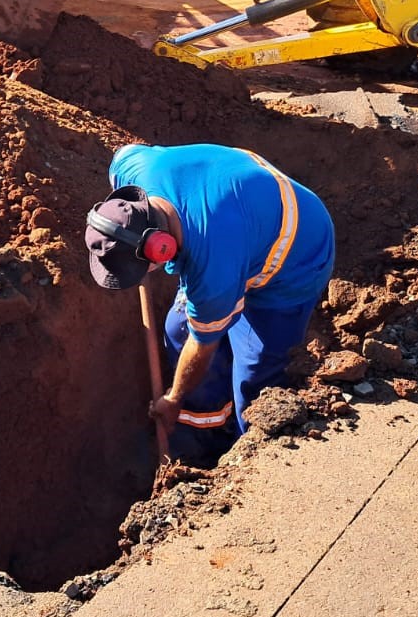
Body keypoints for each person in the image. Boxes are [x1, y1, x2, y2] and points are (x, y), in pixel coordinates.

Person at [83, 142, 336, 459]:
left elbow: (202, 346)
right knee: (178, 331)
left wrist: (173, 399)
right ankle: (206, 433)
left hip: (295, 256)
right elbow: (124, 152)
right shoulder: (135, 170)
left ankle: (251, 458)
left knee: (255, 382)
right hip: (246, 218)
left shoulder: (211, 269)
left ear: (160, 248)